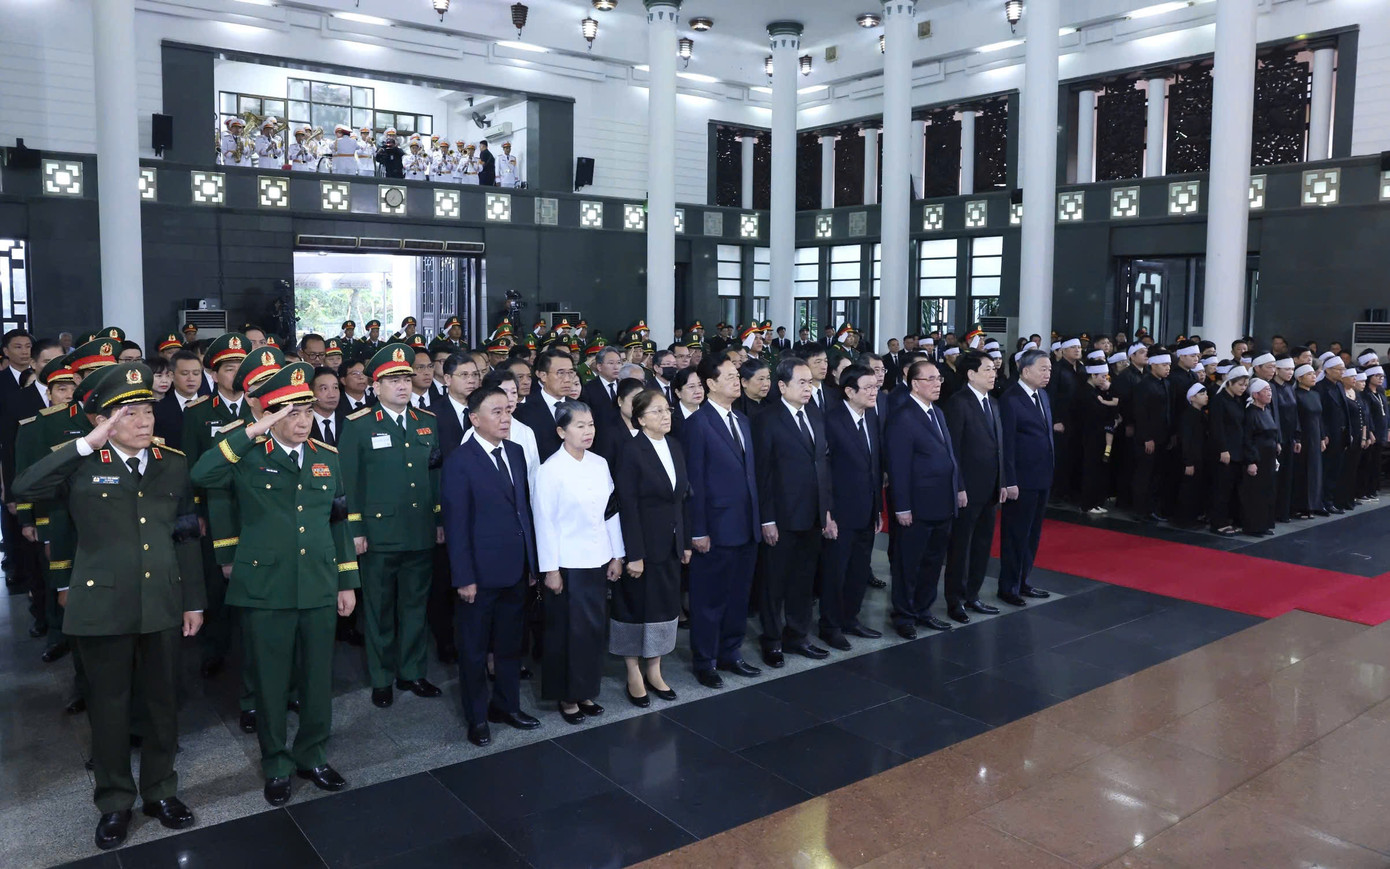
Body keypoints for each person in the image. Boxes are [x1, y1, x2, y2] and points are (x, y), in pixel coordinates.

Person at [16, 363, 205, 850]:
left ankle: (161, 791)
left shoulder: (173, 462)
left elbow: (185, 535)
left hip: (162, 601)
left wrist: (194, 601)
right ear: (103, 420)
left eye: (147, 411)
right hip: (102, 606)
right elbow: (24, 487)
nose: (144, 421)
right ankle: (115, 802)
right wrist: (85, 443)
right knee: (110, 709)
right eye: (129, 413)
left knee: (163, 704)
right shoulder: (80, 463)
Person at [190, 361, 359, 807]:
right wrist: (250, 432)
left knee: (317, 678)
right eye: (291, 413)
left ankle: (312, 755)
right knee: (269, 681)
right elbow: (202, 474)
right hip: (266, 586)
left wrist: (347, 582)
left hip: (319, 583)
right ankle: (277, 764)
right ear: (269, 416)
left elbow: (338, 524)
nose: (303, 422)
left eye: (306, 412)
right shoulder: (248, 456)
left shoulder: (328, 457)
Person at [340, 344, 444, 709]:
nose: (402, 385)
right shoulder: (359, 425)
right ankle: (381, 677)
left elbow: (435, 477)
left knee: (415, 606)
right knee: (379, 610)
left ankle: (412, 672)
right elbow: (349, 483)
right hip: (378, 534)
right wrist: (355, 530)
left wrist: (438, 518)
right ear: (375, 386)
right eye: (393, 380)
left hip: (419, 530)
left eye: (405, 378)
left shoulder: (426, 421)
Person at [440, 386, 541, 747]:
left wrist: (532, 560)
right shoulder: (459, 461)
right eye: (495, 412)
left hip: (515, 569)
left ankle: (507, 706)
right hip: (479, 575)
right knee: (474, 649)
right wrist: (463, 576)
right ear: (474, 419)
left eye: (507, 411)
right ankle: (477, 716)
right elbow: (456, 525)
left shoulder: (514, 452)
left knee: (511, 644)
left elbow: (523, 513)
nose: (505, 418)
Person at [532, 401, 623, 723]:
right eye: (580, 426)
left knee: (593, 631)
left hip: (597, 559)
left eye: (591, 425)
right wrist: (551, 569)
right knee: (566, 632)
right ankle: (565, 696)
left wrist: (617, 553)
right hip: (566, 564)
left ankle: (585, 691)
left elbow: (611, 511)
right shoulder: (550, 470)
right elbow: (544, 522)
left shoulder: (599, 464)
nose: (588, 431)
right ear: (561, 431)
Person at [683, 355, 761, 688]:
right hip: (714, 528)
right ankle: (705, 660)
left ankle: (731, 652)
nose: (736, 380)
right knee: (708, 599)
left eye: (736, 375)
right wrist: (697, 530)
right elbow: (694, 483)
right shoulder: (697, 424)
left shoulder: (741, 419)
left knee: (738, 596)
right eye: (729, 376)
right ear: (710, 383)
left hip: (746, 524)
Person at [753, 357, 834, 667]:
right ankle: (772, 639)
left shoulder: (814, 413)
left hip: (812, 515)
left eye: (810, 382)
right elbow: (763, 474)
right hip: (782, 517)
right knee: (775, 582)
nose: (809, 387)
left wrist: (826, 510)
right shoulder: (767, 419)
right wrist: (767, 518)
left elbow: (822, 466)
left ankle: (797, 635)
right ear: (782, 385)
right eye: (801, 382)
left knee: (803, 579)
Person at [885, 359, 962, 638]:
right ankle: (904, 615)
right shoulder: (903, 416)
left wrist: (958, 489)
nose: (937, 383)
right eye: (931, 379)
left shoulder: (937, 413)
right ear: (915, 384)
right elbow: (898, 466)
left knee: (932, 561)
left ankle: (923, 609)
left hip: (942, 502)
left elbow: (950, 455)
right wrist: (902, 506)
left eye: (939, 378)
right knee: (909, 564)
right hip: (917, 506)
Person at [818, 364, 883, 648]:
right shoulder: (831, 421)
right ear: (849, 391)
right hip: (841, 511)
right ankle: (829, 625)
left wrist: (878, 507)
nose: (874, 391)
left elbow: (874, 466)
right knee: (836, 571)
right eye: (867, 387)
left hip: (867, 508)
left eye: (876, 386)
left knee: (859, 569)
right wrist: (827, 512)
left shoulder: (871, 418)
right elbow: (824, 470)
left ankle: (850, 618)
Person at [943, 352, 1006, 624]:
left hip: (990, 488)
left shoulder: (992, 402)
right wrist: (958, 486)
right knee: (961, 547)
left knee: (982, 545)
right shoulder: (958, 403)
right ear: (970, 374)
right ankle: (954, 599)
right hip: (968, 490)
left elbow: (999, 448)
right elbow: (953, 450)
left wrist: (1002, 481)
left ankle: (973, 594)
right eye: (987, 369)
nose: (993, 374)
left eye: (994, 369)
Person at [997, 349, 1054, 607]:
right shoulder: (1011, 398)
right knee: (1015, 534)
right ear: (1026, 370)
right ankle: (1008, 586)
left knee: (1033, 534)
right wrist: (1009, 480)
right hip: (1021, 479)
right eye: (1043, 369)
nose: (1047, 374)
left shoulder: (1042, 395)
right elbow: (1006, 444)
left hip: (1042, 476)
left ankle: (1023, 581)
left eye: (1049, 369)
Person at [1208, 366, 1250, 536]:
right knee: (1221, 489)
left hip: (1237, 449)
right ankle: (1218, 522)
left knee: (1232, 488)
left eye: (1245, 385)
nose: (1243, 388)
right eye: (1240, 384)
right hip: (1224, 450)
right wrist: (1223, 450)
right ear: (1229, 383)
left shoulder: (1238, 400)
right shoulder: (1220, 400)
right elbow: (1216, 427)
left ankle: (1229, 519)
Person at [514, 348, 576, 460]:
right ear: (543, 376)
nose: (567, 379)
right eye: (560, 373)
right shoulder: (524, 411)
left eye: (571, 373)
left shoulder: (579, 408)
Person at [1240, 379, 1280, 537]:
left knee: (1267, 492)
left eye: (1270, 390)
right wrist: (1251, 461)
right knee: (1255, 494)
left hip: (1269, 458)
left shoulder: (1267, 410)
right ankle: (1253, 526)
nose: (1269, 393)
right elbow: (1247, 439)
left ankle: (1265, 524)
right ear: (1255, 394)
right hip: (1257, 458)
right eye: (1266, 390)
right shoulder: (1250, 413)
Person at [1292, 364, 1326, 518]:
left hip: (1315, 435)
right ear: (1299, 378)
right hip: (1304, 437)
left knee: (1315, 471)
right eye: (1309, 374)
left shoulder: (1315, 394)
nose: (1314, 377)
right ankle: (1302, 506)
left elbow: (1320, 417)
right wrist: (1297, 437)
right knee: (1303, 471)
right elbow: (1296, 419)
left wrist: (1322, 437)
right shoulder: (1296, 395)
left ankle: (1315, 504)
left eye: (1314, 374)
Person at [1271, 357, 1301, 522]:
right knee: (1276, 476)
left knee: (1287, 476)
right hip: (1278, 438)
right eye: (1287, 369)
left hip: (1290, 438)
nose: (1290, 373)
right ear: (1277, 370)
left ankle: (1284, 510)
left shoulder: (1289, 388)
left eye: (1292, 370)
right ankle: (1274, 512)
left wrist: (1297, 437)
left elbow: (1295, 414)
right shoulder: (1272, 388)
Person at [668, 366, 704, 442]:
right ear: (678, 392)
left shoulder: (711, 413)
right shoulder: (670, 418)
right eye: (691, 387)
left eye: (700, 385)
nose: (698, 391)